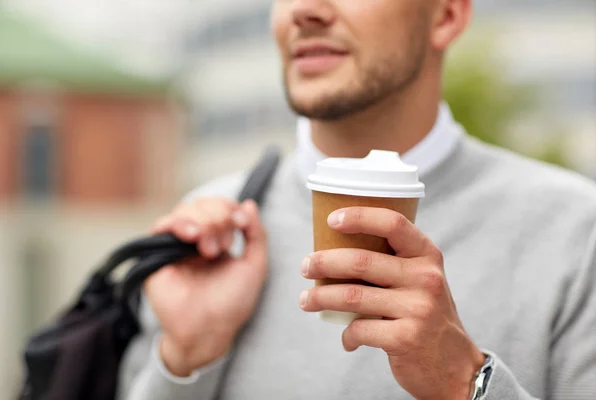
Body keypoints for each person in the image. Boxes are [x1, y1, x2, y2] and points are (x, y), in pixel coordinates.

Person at [119, 1, 596, 399]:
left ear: (446, 15)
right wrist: (184, 359)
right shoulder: (202, 231)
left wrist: (466, 383)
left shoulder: (576, 230)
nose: (304, 11)